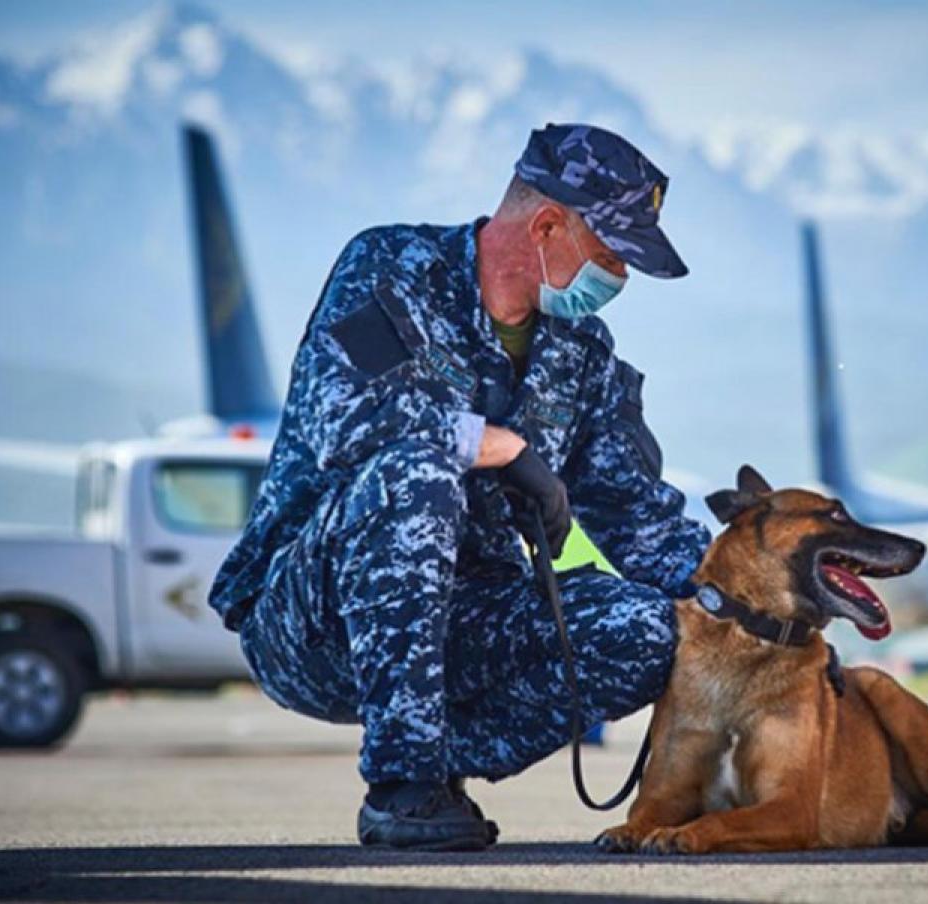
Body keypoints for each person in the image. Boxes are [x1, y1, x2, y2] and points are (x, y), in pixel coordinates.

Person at [208, 123, 711, 851]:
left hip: (467, 618)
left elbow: (639, 522)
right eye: (610, 256)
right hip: (315, 620)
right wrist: (499, 447)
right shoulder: (391, 269)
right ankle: (403, 789)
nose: (619, 281)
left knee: (648, 628)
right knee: (413, 474)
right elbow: (342, 421)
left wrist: (751, 593)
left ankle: (435, 760)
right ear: (546, 225)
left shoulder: (582, 355)